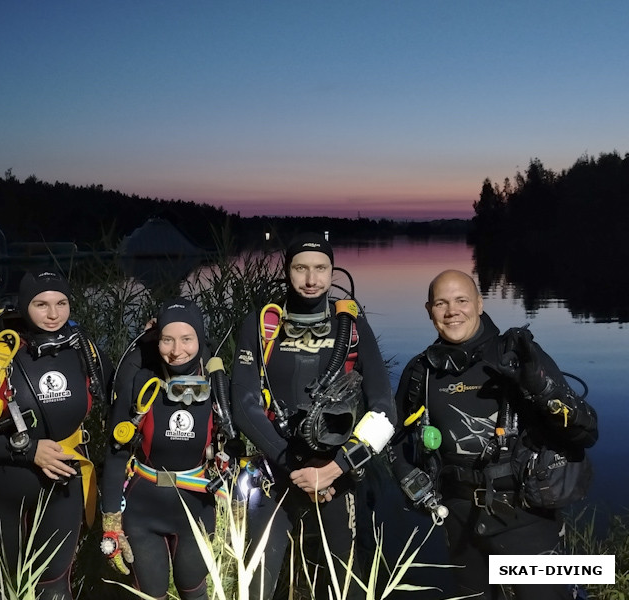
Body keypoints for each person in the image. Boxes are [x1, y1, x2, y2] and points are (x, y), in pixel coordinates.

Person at [390, 269, 598, 600]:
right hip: (457, 520)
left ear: (480, 303)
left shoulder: (517, 356)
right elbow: (395, 438)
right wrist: (410, 481)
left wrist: (543, 389)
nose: (451, 311)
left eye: (461, 300)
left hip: (526, 517)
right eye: (441, 303)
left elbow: (585, 431)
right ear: (429, 310)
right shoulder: (422, 372)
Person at [231, 233, 395, 600]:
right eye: (300, 268)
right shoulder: (261, 324)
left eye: (321, 269)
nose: (311, 279)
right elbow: (243, 405)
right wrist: (290, 465)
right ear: (287, 271)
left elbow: (384, 410)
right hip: (275, 473)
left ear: (332, 272)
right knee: (259, 585)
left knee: (342, 587)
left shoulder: (351, 325)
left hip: (336, 476)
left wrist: (336, 466)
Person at [0, 268, 112, 600]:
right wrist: (27, 450)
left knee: (55, 589)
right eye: (41, 304)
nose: (53, 314)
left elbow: (126, 388)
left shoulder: (84, 351)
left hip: (63, 485)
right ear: (23, 306)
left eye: (61, 303)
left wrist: (160, 337)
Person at [101, 297, 235, 600]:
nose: (177, 351)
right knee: (150, 594)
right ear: (156, 341)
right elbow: (115, 453)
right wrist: (110, 520)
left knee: (194, 590)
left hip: (197, 509)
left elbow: (237, 441)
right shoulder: (140, 384)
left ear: (200, 339)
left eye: (187, 339)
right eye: (167, 340)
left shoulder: (218, 387)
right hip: (142, 511)